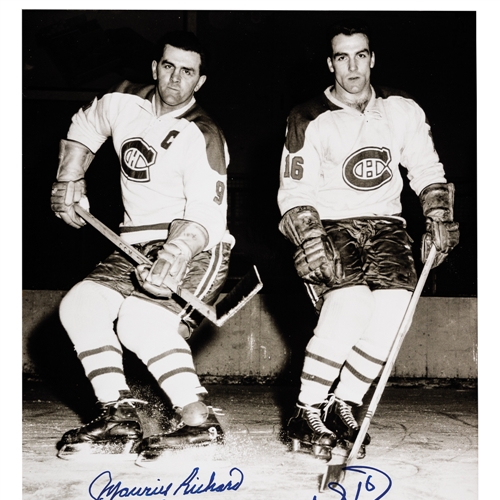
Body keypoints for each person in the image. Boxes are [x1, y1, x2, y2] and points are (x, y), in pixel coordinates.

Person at [277, 21, 459, 459]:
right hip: (334, 224)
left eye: (361, 55)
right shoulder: (307, 116)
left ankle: (344, 402)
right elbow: (294, 190)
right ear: (330, 63)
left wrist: (438, 214)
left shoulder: (402, 110)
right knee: (351, 305)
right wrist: (308, 235)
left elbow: (427, 169)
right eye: (343, 57)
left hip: (388, 226)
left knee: (396, 312)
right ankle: (306, 410)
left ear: (372, 58)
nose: (353, 66)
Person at [50, 31, 234, 457]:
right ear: (155, 68)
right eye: (168, 66)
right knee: (80, 306)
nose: (175, 79)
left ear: (199, 81)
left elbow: (207, 214)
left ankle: (199, 422)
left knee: (139, 322)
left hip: (197, 245)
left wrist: (173, 255)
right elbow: (85, 125)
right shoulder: (121, 102)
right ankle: (118, 415)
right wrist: (70, 176)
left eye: (187, 72)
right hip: (130, 242)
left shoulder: (202, 134)